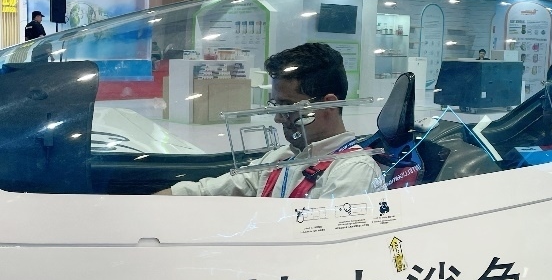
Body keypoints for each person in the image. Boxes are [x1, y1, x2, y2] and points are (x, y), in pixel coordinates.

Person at [158, 42, 384, 197]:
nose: (278, 118)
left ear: (329, 105)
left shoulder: (352, 173)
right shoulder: (282, 158)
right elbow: (206, 191)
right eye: (276, 105)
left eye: (288, 107)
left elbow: (322, 245)